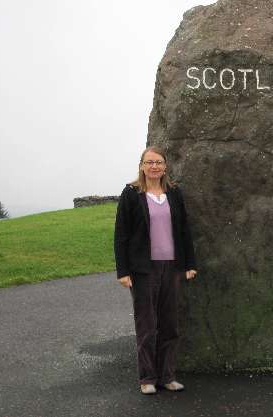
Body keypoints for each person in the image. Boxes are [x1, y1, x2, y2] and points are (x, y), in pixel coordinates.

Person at [114, 146, 198, 395]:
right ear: (142, 166)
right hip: (143, 270)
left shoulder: (174, 192)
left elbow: (184, 230)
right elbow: (121, 235)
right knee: (147, 326)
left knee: (170, 325)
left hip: (171, 267)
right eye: (149, 162)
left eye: (158, 162)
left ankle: (167, 376)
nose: (154, 166)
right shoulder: (131, 194)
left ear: (165, 166)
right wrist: (123, 271)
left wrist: (189, 264)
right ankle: (147, 378)